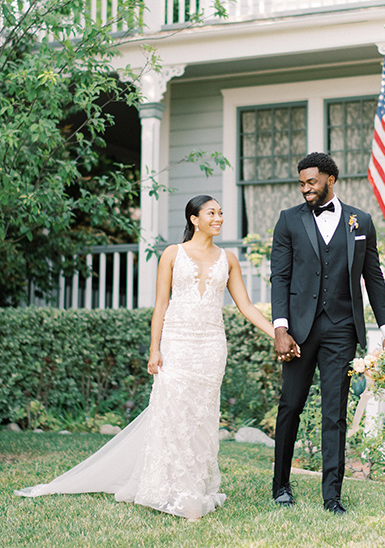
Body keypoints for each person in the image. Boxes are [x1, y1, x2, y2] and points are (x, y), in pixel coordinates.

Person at [15, 195, 281, 520]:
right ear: (194, 219)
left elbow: (247, 307)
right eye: (212, 212)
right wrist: (155, 348)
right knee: (172, 413)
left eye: (221, 213)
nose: (219, 218)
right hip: (177, 343)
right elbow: (160, 305)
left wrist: (277, 334)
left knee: (201, 417)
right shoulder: (172, 253)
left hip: (211, 347)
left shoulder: (228, 258)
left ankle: (194, 488)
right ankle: (165, 487)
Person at [270, 152, 385, 515]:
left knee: (334, 412)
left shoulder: (361, 221)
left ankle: (332, 496)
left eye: (311, 182)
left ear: (330, 179)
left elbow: (373, 277)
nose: (305, 188)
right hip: (299, 330)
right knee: (290, 405)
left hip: (342, 328)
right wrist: (281, 327)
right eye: (301, 183)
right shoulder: (288, 220)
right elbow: (280, 276)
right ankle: (281, 485)